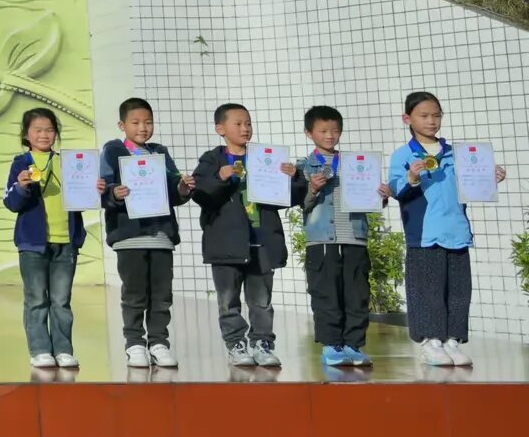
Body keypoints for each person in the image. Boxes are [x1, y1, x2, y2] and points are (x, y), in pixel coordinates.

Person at [391, 91, 506, 367]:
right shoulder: (403, 154)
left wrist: (489, 179)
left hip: (456, 232)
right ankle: (431, 342)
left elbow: (471, 187)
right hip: (425, 234)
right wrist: (411, 176)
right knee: (427, 290)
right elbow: (395, 189)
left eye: (436, 115)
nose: (431, 121)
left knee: (459, 292)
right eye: (424, 115)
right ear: (407, 118)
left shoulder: (457, 153)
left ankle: (453, 341)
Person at [193, 103, 304, 368]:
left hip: (262, 242)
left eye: (248, 123)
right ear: (220, 129)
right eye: (238, 124)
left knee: (262, 301)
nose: (245, 128)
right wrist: (219, 177)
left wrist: (295, 178)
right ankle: (236, 345)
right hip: (226, 244)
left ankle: (262, 343)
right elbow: (201, 194)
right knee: (228, 301)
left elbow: (288, 198)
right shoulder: (212, 159)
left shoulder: (265, 158)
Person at [100, 96, 196, 368]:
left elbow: (174, 189)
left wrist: (183, 187)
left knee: (162, 294)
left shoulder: (159, 153)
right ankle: (134, 343)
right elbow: (104, 187)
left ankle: (158, 342)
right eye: (136, 122)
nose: (143, 128)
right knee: (134, 293)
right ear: (122, 125)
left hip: (161, 236)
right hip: (129, 237)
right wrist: (114, 193)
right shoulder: (113, 150)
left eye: (148, 122)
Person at [2, 107, 98, 369]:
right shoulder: (21, 163)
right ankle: (40, 350)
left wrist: (94, 190)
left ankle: (63, 349)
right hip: (32, 244)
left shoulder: (68, 162)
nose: (44, 135)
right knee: (36, 299)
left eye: (50, 130)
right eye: (38, 130)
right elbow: (11, 203)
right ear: (26, 134)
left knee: (61, 301)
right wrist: (21, 186)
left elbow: (82, 199)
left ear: (56, 133)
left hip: (66, 241)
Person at [297, 105, 389, 367]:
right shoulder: (303, 167)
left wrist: (380, 197)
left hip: (354, 238)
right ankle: (331, 346)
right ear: (309, 133)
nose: (330, 135)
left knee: (357, 295)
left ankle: (353, 345)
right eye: (323, 130)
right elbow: (300, 203)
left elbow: (370, 200)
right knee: (325, 294)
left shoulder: (357, 165)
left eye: (335, 130)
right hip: (322, 241)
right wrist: (312, 189)